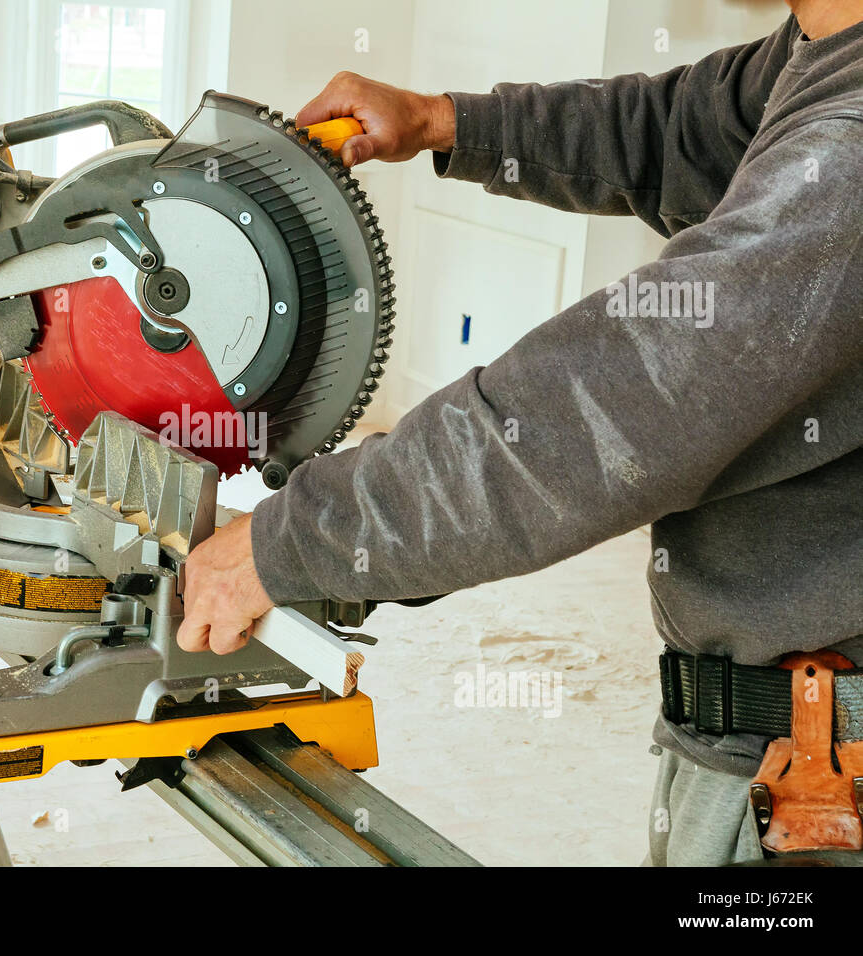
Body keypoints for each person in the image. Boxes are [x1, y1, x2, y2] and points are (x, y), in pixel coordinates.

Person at [176, 0, 863, 865]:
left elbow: (610, 405)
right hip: (777, 733)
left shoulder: (849, 150)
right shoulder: (825, 49)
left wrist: (291, 540)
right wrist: (443, 122)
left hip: (823, 778)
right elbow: (673, 128)